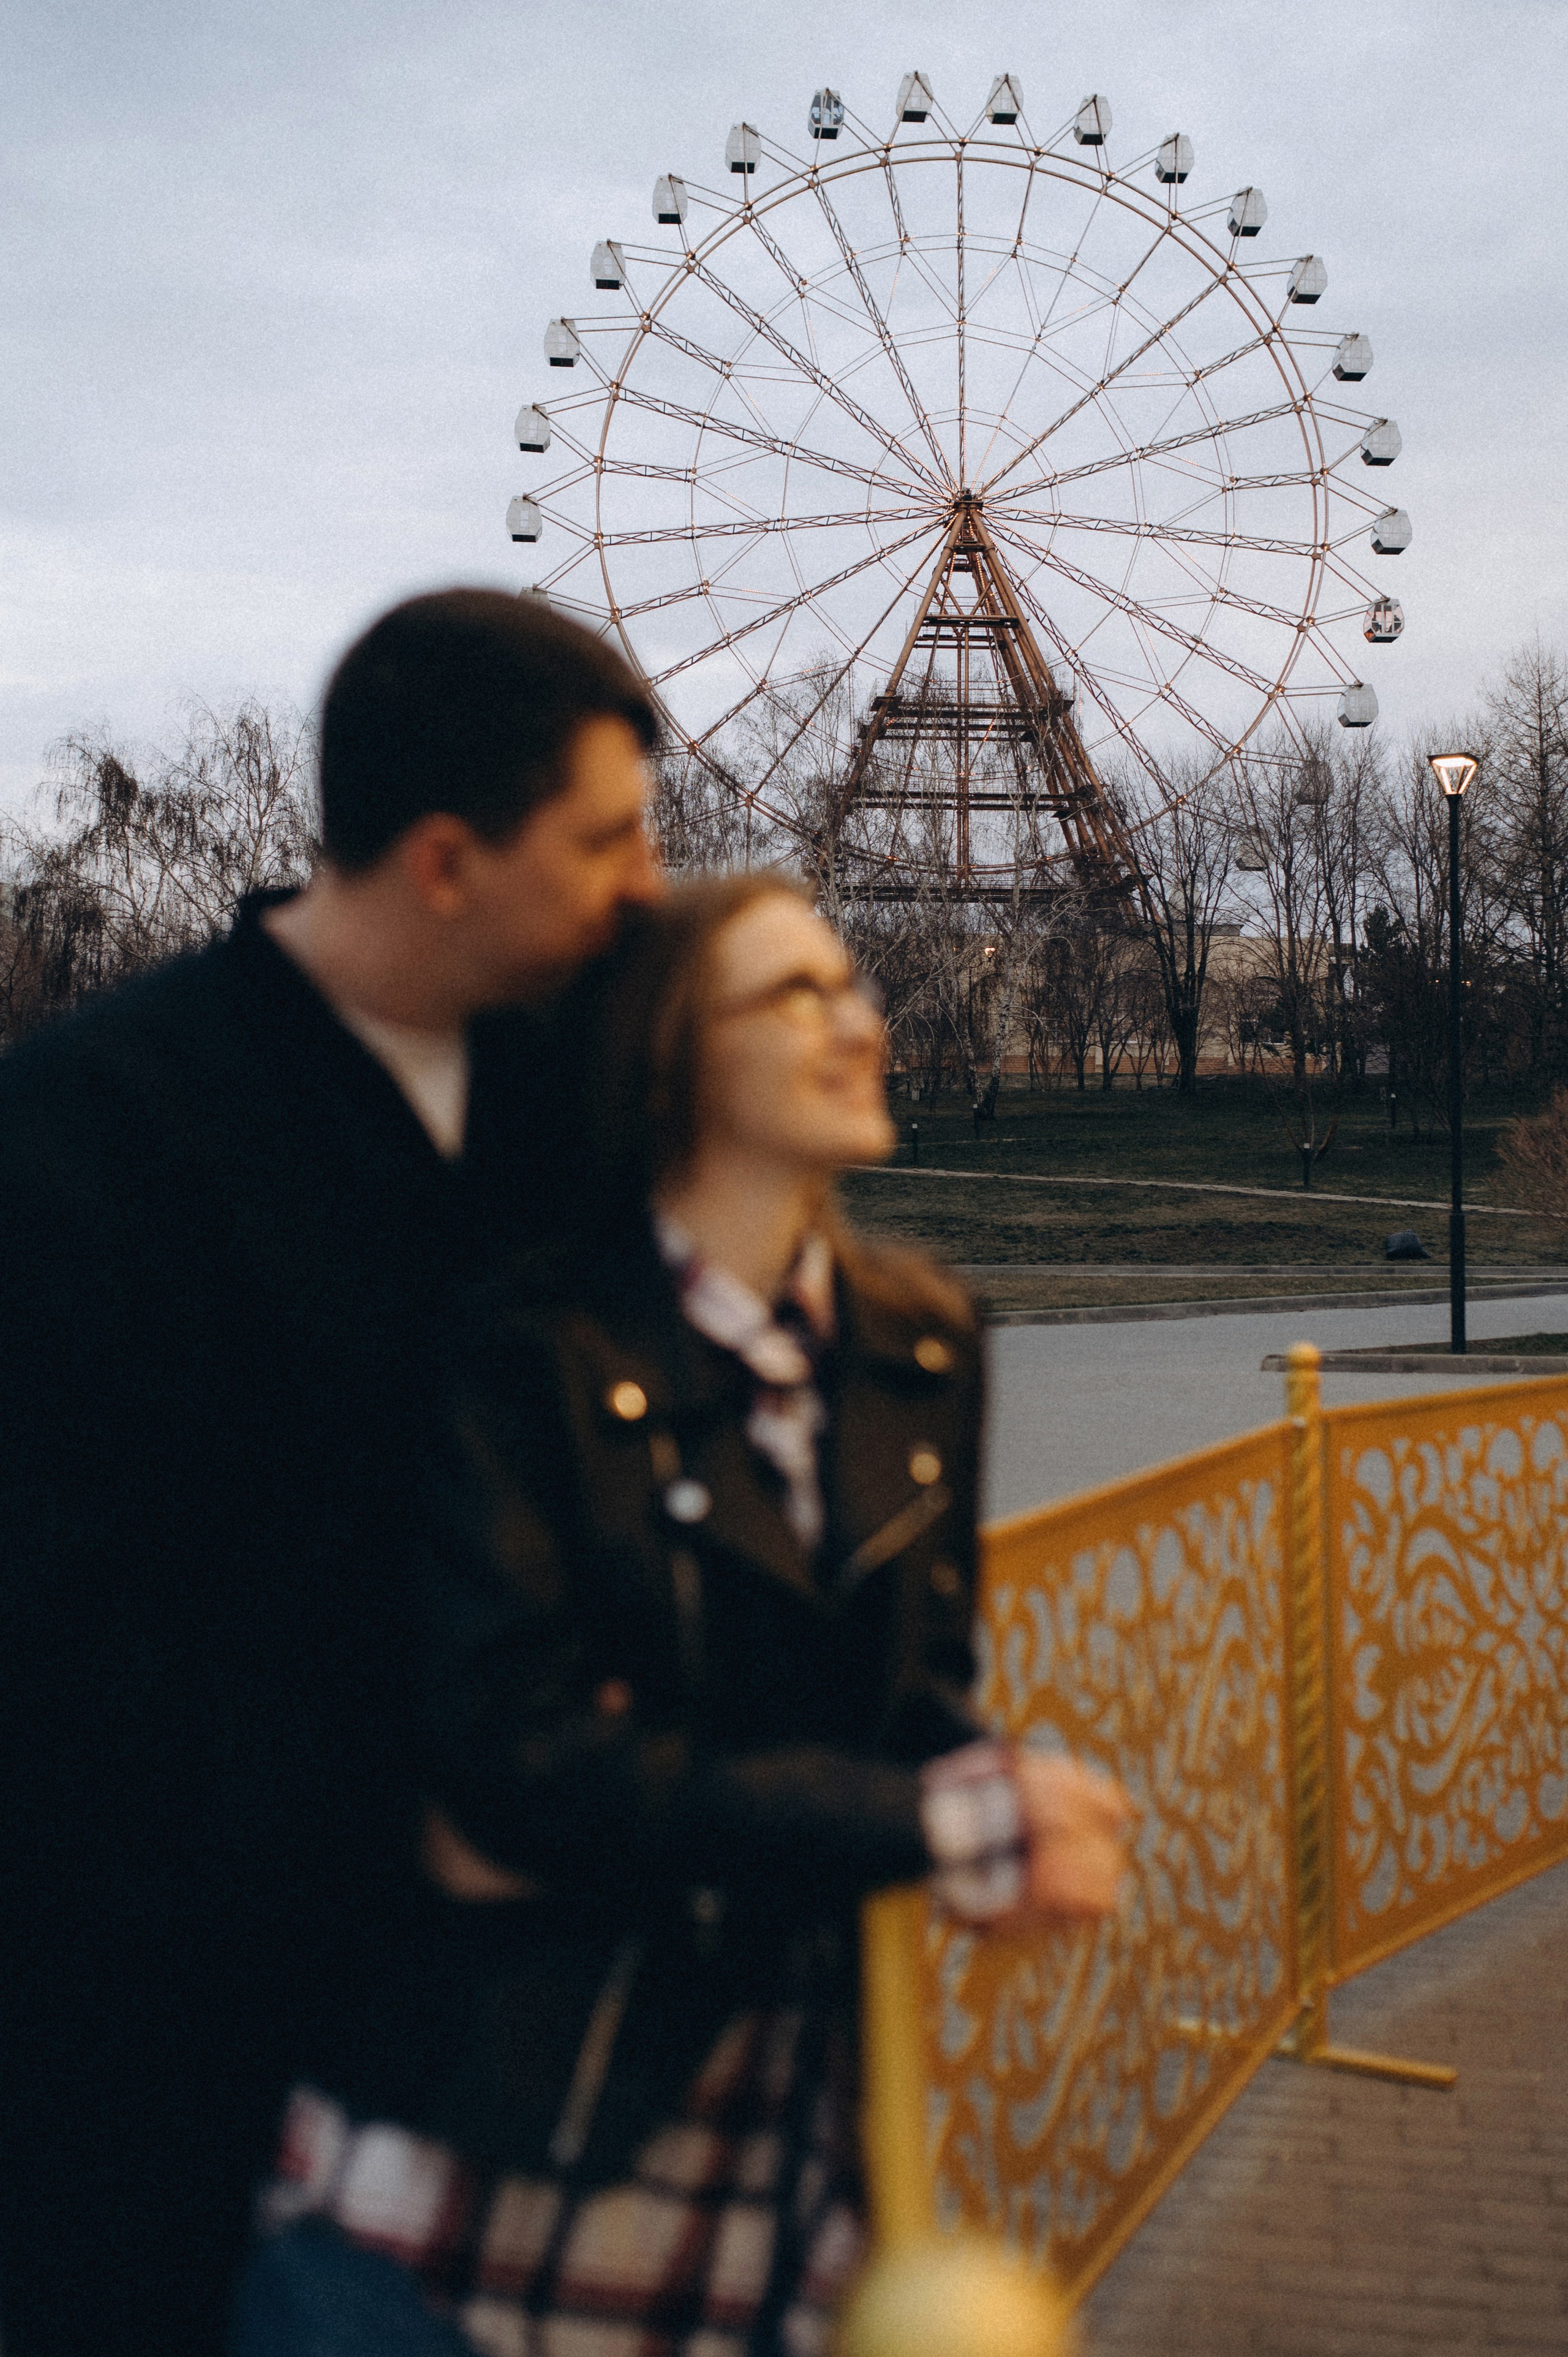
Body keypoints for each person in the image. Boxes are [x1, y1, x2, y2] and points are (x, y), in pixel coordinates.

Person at [235, 873, 1130, 2356]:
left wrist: (1006, 1801)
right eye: (796, 994)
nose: (861, 1023)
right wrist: (920, 1820)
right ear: (671, 1055)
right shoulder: (527, 1351)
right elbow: (522, 1768)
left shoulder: (925, 1344)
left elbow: (899, 1712)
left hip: (766, 2196)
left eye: (851, 986)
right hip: (475, 2204)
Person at [0, 589, 663, 2357]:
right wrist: (404, 1808)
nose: (648, 883)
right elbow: (56, 1646)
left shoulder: (564, 1116)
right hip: (168, 2054)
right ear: (447, 860)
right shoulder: (88, 1136)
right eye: (607, 837)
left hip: (496, 2058)